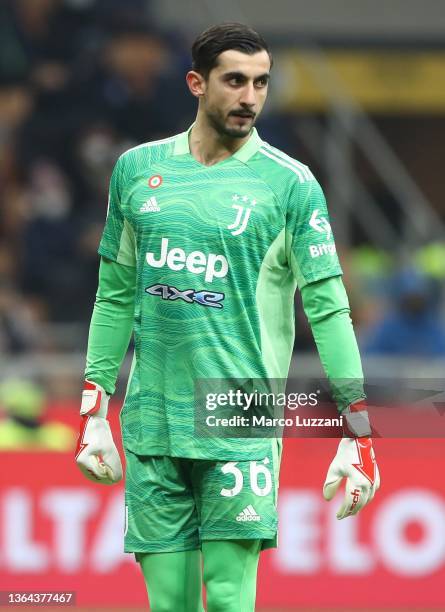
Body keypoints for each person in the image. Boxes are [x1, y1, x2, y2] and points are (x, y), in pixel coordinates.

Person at [75, 23, 380, 612]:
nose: (250, 97)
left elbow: (330, 308)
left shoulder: (290, 185)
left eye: (261, 83)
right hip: (153, 409)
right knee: (170, 604)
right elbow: (113, 295)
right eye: (235, 81)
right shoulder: (136, 172)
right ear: (197, 83)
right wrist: (93, 406)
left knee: (229, 597)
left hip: (239, 410)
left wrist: (358, 428)